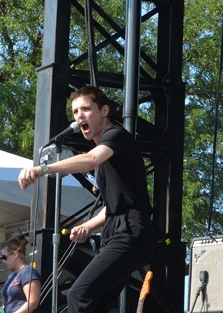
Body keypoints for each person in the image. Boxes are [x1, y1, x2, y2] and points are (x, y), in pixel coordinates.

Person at [18, 85, 154, 313]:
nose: (79, 116)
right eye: (75, 111)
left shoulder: (116, 136)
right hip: (117, 230)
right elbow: (112, 206)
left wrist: (43, 169)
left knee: (79, 295)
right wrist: (88, 226)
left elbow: (90, 160)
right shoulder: (106, 152)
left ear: (104, 111)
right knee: (96, 303)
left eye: (86, 109)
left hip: (131, 231)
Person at [0, 235, 41, 313]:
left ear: (15, 254)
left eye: (4, 257)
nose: (3, 261)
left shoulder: (28, 272)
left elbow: (32, 303)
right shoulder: (12, 276)